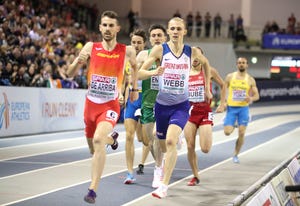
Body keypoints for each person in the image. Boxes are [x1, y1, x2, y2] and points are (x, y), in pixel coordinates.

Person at [66, 10, 138, 204]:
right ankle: (111, 139)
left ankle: (92, 190)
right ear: (100, 27)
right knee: (93, 147)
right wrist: (78, 61)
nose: (107, 29)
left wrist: (134, 88)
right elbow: (70, 73)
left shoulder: (127, 50)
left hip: (110, 106)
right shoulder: (91, 47)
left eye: (111, 25)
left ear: (117, 28)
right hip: (90, 107)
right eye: (104, 25)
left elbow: (135, 66)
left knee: (98, 141)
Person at [138, 17, 212, 199]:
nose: (176, 31)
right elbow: (139, 73)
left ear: (184, 31)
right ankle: (162, 162)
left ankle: (163, 186)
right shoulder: (159, 50)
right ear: (168, 32)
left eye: (179, 28)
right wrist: (153, 72)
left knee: (171, 142)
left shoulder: (191, 52)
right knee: (162, 144)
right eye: (172, 28)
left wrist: (207, 87)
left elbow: (207, 64)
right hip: (162, 106)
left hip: (181, 105)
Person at [184, 47, 226, 186]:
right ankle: (195, 176)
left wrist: (222, 103)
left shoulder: (209, 71)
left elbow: (223, 84)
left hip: (204, 112)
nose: (195, 59)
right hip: (189, 112)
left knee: (205, 149)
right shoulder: (184, 71)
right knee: (190, 146)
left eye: (198, 57)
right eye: (192, 57)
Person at [136, 24, 167, 188]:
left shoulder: (170, 55)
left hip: (165, 103)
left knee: (156, 136)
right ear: (149, 39)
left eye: (159, 35)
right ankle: (161, 164)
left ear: (165, 38)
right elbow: (136, 72)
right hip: (147, 102)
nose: (156, 38)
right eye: (153, 35)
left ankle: (158, 170)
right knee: (148, 140)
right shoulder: (143, 54)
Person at [223, 57, 259, 164]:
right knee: (227, 132)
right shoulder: (230, 77)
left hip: (243, 109)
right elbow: (224, 90)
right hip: (231, 108)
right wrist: (223, 102)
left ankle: (235, 154)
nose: (241, 64)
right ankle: (233, 123)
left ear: (247, 65)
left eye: (243, 63)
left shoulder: (250, 79)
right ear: (237, 65)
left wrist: (251, 98)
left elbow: (257, 95)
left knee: (241, 133)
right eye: (239, 63)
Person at [123, 28, 147, 184]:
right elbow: (123, 79)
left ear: (144, 44)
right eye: (134, 42)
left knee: (144, 139)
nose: (136, 45)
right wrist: (120, 95)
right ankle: (130, 172)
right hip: (131, 100)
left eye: (139, 42)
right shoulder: (124, 59)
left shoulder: (149, 57)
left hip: (145, 99)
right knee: (129, 136)